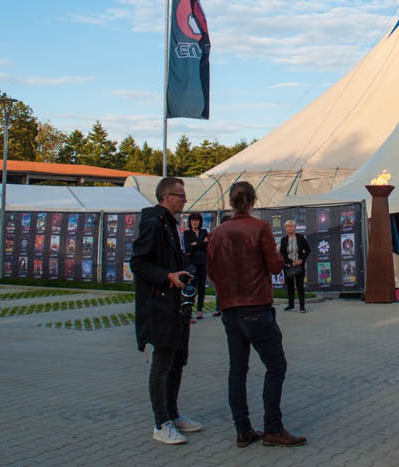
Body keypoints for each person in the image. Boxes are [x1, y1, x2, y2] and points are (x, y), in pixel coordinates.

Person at [207, 182, 306, 448]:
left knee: (237, 370)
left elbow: (212, 272)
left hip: (230, 309)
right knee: (276, 365)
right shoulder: (260, 227)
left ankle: (243, 430)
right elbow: (275, 266)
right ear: (253, 200)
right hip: (256, 307)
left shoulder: (217, 232)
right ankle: (273, 428)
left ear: (231, 201)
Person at [130, 176, 202, 445]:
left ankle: (173, 413)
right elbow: (138, 263)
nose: (185, 200)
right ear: (166, 197)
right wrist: (167, 276)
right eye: (180, 196)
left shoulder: (171, 225)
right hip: (159, 306)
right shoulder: (153, 224)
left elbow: (172, 259)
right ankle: (161, 423)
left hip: (177, 305)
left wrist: (185, 269)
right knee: (162, 364)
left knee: (178, 360)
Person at [279, 220, 310, 312]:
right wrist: (290, 262)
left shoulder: (301, 237)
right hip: (288, 266)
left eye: (292, 226)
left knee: (300, 286)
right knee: (290, 286)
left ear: (295, 227)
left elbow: (308, 250)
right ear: (286, 228)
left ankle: (302, 307)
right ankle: (291, 305)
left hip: (299, 265)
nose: (290, 228)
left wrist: (301, 260)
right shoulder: (283, 240)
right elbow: (282, 253)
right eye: (288, 226)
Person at [183, 212, 208, 321]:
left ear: (200, 222)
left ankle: (200, 309)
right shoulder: (187, 233)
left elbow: (207, 246)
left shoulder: (204, 232)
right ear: (190, 222)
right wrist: (200, 243)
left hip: (203, 262)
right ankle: (189, 310)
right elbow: (188, 248)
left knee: (201, 286)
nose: (195, 222)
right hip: (192, 263)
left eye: (197, 220)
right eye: (193, 220)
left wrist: (195, 244)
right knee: (191, 286)